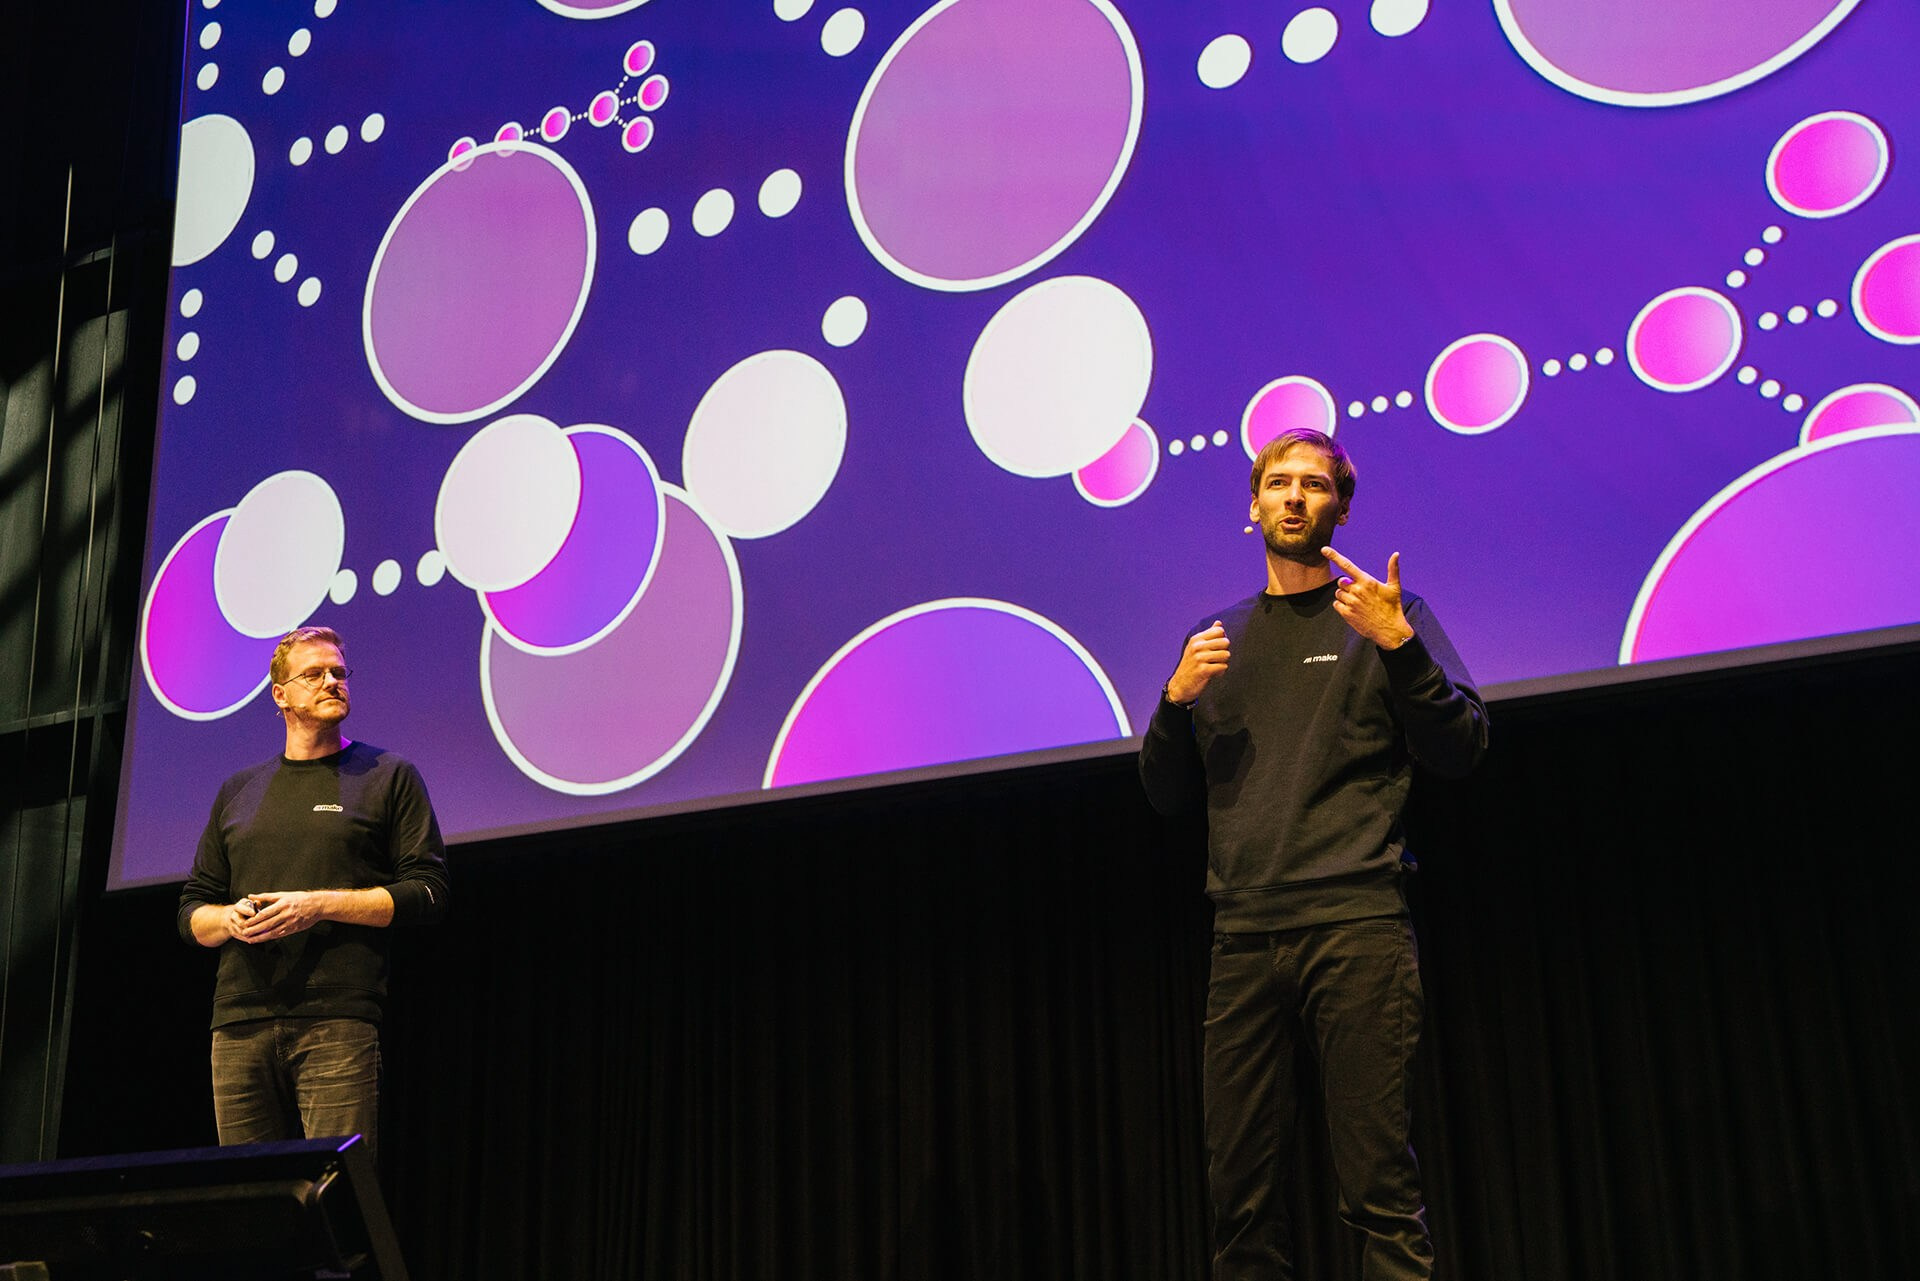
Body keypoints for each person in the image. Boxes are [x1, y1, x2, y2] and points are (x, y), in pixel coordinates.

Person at [1139, 428, 1488, 1280]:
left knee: (1377, 1190)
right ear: (1252, 506)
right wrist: (1172, 703)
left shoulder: (1382, 620)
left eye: (1315, 486)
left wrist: (1402, 647)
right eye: (1279, 484)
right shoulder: (1212, 639)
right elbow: (1162, 794)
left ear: (1341, 506)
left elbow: (1463, 748)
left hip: (1357, 930)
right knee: (1243, 1203)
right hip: (1245, 941)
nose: (1295, 498)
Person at [178, 624, 448, 1158]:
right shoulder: (239, 790)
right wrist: (229, 919)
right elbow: (191, 910)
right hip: (237, 1027)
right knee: (249, 1204)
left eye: (339, 673)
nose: (332, 682)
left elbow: (429, 893)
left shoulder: (388, 776)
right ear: (280, 695)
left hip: (337, 1023)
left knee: (341, 1199)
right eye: (315, 674)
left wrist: (318, 904)